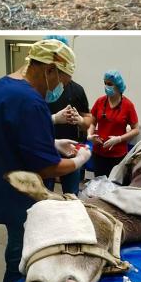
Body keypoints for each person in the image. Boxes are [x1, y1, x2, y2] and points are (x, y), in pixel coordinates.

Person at [0, 39, 92, 282]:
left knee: (15, 246)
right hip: (21, 196)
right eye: (63, 81)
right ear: (49, 70)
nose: (61, 88)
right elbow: (48, 168)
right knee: (21, 254)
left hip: (1, 187)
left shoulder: (1, 87)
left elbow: (13, 136)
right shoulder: (31, 102)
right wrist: (80, 160)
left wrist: (52, 142)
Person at [42, 35, 93, 194]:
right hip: (45, 150)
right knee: (44, 197)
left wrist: (80, 121)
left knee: (72, 197)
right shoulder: (37, 90)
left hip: (71, 151)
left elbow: (89, 120)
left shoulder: (76, 90)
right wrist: (54, 119)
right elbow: (28, 124)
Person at [89, 70, 140, 179]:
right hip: (99, 153)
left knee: (113, 187)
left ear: (118, 86)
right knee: (99, 185)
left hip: (117, 155)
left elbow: (136, 129)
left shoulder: (128, 105)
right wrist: (89, 135)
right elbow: (92, 123)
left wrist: (119, 139)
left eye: (110, 84)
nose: (106, 86)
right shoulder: (100, 102)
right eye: (105, 83)